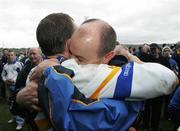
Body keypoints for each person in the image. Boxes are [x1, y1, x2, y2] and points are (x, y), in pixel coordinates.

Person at [17, 15, 178, 130]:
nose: (72, 61)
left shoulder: (38, 71)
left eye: (79, 57)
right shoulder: (92, 74)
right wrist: (129, 56)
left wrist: (17, 98)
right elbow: (169, 78)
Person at [1, 50, 24, 130]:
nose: (10, 56)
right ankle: (13, 118)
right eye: (9, 55)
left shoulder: (19, 64)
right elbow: (3, 75)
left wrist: (15, 80)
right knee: (10, 103)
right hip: (8, 86)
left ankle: (20, 122)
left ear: (15, 56)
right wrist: (5, 80)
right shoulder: (5, 65)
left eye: (12, 55)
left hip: (16, 86)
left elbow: (22, 74)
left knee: (17, 103)